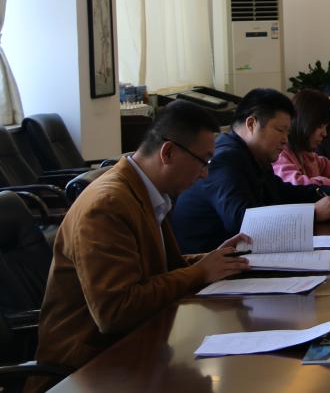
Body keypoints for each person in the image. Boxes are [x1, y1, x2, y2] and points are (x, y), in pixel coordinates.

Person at [31, 101, 251, 387]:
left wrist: (214, 259)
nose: (205, 174)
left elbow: (159, 269)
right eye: (203, 161)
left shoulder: (145, 191)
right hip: (85, 367)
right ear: (168, 152)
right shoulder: (108, 205)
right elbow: (117, 311)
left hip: (132, 348)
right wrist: (200, 272)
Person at [172, 88, 330, 253]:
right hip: (209, 266)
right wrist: (312, 214)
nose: (285, 139)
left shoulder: (253, 154)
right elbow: (240, 221)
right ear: (251, 124)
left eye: (287, 132)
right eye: (280, 130)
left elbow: (282, 192)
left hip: (242, 257)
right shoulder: (225, 159)